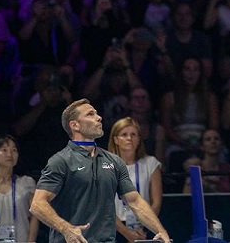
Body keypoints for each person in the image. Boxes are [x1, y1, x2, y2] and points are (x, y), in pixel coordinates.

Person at [29, 99, 171, 243]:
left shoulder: (113, 161)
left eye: (97, 113)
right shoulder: (61, 161)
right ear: (75, 125)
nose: (99, 117)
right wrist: (66, 228)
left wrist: (160, 231)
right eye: (90, 114)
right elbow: (37, 204)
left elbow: (134, 201)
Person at [108, 117, 163, 243]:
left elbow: (156, 202)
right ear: (116, 140)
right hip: (114, 228)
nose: (129, 138)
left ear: (139, 139)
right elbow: (104, 205)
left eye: (133, 134)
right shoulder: (106, 165)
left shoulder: (151, 163)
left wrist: (143, 228)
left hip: (144, 228)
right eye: (124, 134)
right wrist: (126, 232)